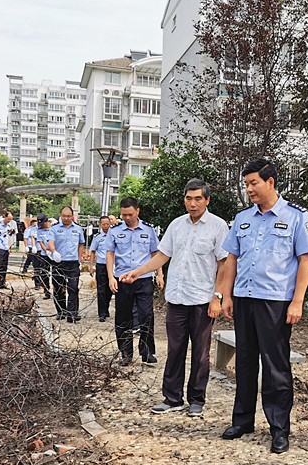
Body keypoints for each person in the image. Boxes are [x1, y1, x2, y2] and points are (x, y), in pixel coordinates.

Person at [218, 159, 308, 454]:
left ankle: (279, 429)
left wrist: (297, 302)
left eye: (253, 183)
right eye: (246, 184)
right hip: (245, 298)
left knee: (275, 366)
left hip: (275, 301)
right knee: (245, 361)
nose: (248, 189)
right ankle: (243, 420)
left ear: (270, 182)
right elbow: (231, 259)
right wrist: (227, 295)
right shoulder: (242, 218)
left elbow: (305, 260)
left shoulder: (297, 217)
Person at [120, 179, 230, 418]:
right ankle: (172, 398)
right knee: (174, 349)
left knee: (200, 352)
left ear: (207, 200)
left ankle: (196, 399)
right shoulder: (176, 225)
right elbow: (162, 256)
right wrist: (137, 272)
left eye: (198, 198)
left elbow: (224, 264)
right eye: (189, 198)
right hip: (177, 299)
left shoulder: (218, 227)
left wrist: (218, 297)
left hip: (202, 300)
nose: (192, 203)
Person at [106, 197, 164, 366]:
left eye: (130, 214)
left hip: (144, 279)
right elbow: (110, 253)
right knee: (123, 317)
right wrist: (111, 277)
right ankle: (126, 353)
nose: (127, 218)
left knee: (146, 315)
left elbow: (156, 253)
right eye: (124, 215)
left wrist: (159, 274)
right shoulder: (115, 230)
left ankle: (146, 351)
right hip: (123, 279)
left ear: (137, 211)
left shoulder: (148, 229)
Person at [50, 206, 85, 322]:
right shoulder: (54, 228)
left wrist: (79, 260)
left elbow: (81, 244)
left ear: (72, 216)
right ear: (60, 216)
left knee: (73, 288)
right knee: (58, 288)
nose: (66, 218)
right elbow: (50, 242)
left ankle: (72, 313)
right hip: (58, 262)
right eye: (64, 216)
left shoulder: (78, 229)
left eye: (68, 216)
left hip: (73, 263)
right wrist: (54, 251)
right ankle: (61, 311)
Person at [89, 216, 113, 322]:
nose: (106, 226)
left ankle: (106, 308)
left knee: (110, 289)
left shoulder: (114, 236)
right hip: (101, 265)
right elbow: (93, 251)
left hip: (112, 266)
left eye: (107, 224)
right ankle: (102, 313)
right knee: (101, 289)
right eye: (104, 224)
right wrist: (91, 266)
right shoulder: (97, 237)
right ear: (100, 225)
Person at [34, 214, 53, 300]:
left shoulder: (54, 228)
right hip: (45, 255)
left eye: (43, 224)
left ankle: (57, 291)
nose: (41, 226)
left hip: (54, 254)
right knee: (44, 274)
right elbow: (41, 242)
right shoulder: (39, 230)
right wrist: (46, 250)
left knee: (56, 274)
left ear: (47, 221)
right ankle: (47, 291)